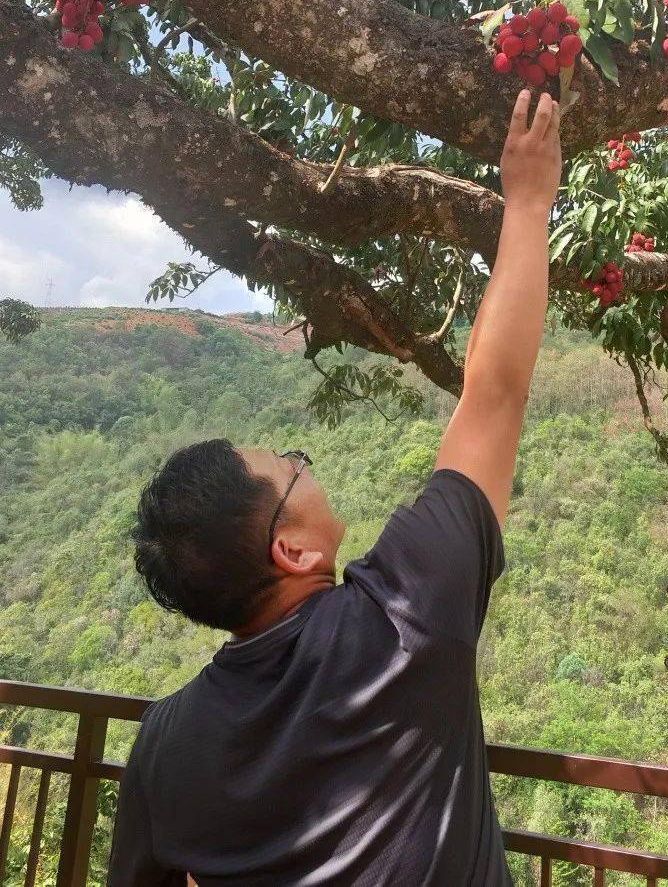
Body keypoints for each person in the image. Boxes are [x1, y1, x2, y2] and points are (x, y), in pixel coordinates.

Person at [107, 87, 562, 886]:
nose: (303, 463)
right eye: (289, 465)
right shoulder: (405, 617)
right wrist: (527, 202)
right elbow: (492, 394)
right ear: (291, 548)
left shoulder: (164, 741)